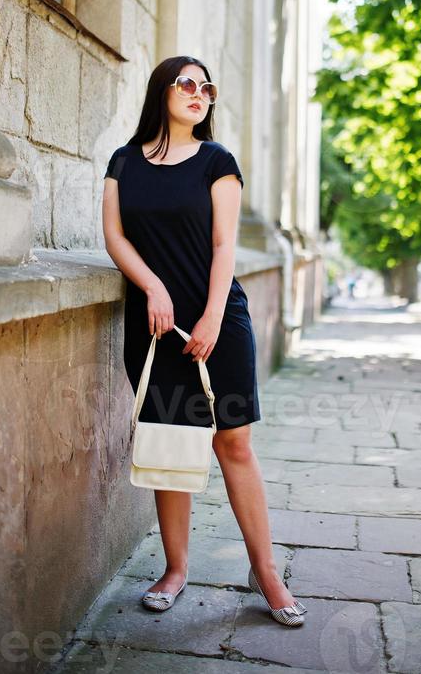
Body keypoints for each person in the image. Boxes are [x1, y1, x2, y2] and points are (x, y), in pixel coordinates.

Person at [102, 55, 307, 627]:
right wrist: (151, 288)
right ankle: (175, 569)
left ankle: (266, 573)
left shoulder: (218, 161)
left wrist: (214, 314)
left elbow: (224, 245)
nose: (198, 93)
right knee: (172, 447)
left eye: (206, 87)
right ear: (161, 91)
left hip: (219, 320)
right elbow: (115, 236)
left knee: (233, 444)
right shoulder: (123, 161)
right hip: (155, 325)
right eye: (186, 83)